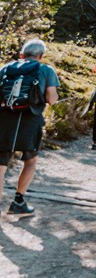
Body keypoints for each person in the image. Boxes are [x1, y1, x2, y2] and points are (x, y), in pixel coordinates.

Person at [0, 39, 60, 216]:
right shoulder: (46, 70)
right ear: (40, 55)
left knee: (0, 166)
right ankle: (18, 201)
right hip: (30, 121)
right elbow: (51, 98)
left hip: (4, 120)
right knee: (31, 161)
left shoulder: (6, 68)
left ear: (21, 54)